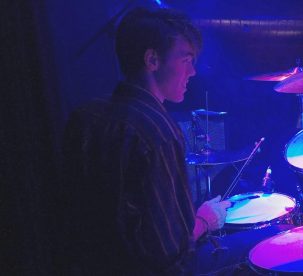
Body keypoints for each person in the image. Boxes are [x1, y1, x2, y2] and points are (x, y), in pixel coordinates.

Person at [61, 7, 230, 275]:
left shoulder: (84, 116)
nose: (193, 72)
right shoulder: (158, 132)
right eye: (186, 60)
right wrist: (205, 220)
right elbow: (166, 252)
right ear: (152, 60)